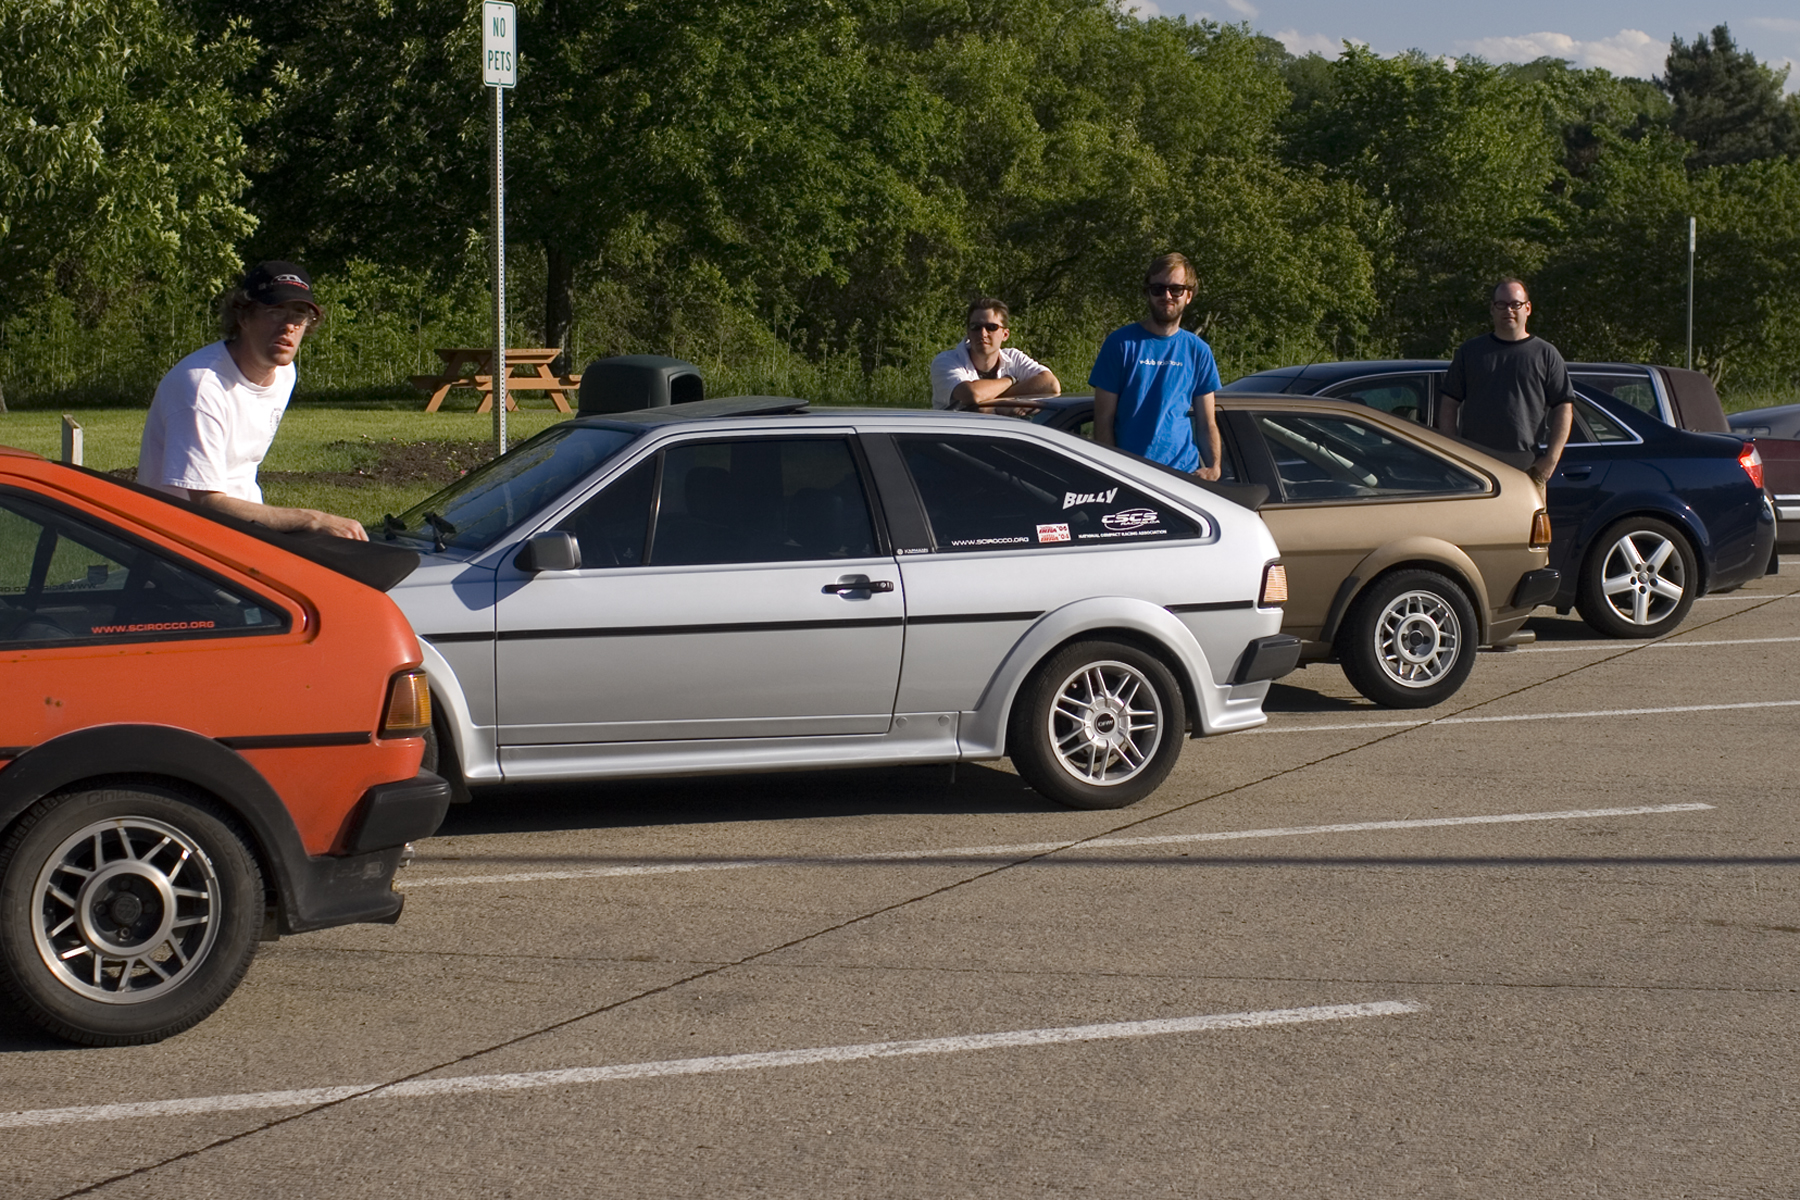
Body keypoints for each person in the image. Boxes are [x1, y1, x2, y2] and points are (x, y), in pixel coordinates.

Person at [138, 261, 367, 540]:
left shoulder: (284, 373)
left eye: (299, 315)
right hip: (179, 541)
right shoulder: (202, 388)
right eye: (275, 312)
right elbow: (206, 503)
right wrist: (311, 519)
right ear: (244, 317)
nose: (289, 326)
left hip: (245, 531)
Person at [1088, 253, 1222, 481]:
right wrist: (1112, 472)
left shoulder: (1198, 351)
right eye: (1158, 289)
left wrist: (1214, 468)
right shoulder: (1120, 344)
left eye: (1176, 289)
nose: (1166, 296)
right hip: (1130, 475)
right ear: (1147, 293)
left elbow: (1207, 422)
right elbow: (1103, 419)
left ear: (1189, 295)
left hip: (1183, 477)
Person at [1436, 278, 1575, 489]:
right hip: (1475, 468)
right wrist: (1452, 452)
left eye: (1515, 304)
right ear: (1492, 309)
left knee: (1529, 515)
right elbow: (1449, 403)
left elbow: (1564, 407)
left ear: (1527, 308)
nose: (1508, 310)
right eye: (1501, 304)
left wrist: (1550, 460)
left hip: (1528, 469)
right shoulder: (1470, 352)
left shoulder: (1546, 354)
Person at [930, 299, 1061, 413]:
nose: (983, 333)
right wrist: (1010, 380)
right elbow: (972, 394)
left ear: (1005, 334)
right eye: (975, 326)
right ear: (968, 332)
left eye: (991, 327)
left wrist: (996, 402)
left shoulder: (1014, 358)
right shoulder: (946, 361)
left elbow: (1051, 385)